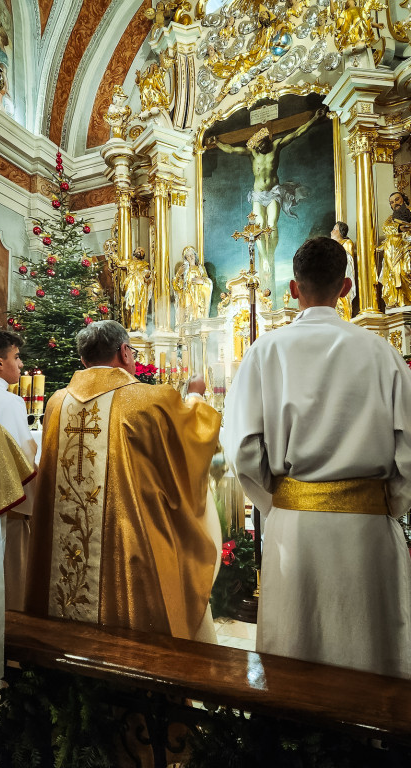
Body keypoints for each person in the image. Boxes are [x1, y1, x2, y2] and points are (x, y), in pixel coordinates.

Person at [222, 236, 411, 678]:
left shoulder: (265, 351)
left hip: (295, 533)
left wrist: (281, 504)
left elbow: (242, 451)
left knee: (296, 656)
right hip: (368, 534)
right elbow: (409, 449)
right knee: (369, 657)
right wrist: (389, 504)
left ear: (293, 289)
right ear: (347, 287)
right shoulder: (383, 354)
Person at [25, 320, 221, 643]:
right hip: (130, 550)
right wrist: (197, 399)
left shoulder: (56, 403)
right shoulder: (150, 400)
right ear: (126, 352)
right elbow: (193, 444)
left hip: (62, 554)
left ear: (84, 360)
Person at [212, 108, 327, 300]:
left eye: (260, 145)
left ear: (266, 141)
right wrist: (217, 142)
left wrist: (315, 118)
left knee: (271, 225)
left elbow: (297, 133)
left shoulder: (276, 145)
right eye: (255, 146)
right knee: (256, 229)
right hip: (258, 194)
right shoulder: (251, 153)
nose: (258, 148)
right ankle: (264, 259)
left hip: (274, 192)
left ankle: (269, 255)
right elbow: (231, 149)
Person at [0, 325, 35, 695]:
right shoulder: (9, 402)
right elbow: (24, 463)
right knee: (1, 584)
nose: (20, 365)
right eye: (16, 358)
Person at [379, 191, 411, 308]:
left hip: (408, 247)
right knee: (393, 273)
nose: (395, 204)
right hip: (394, 251)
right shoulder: (390, 219)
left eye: (397, 200)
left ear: (404, 199)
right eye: (392, 202)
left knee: (406, 271)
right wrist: (398, 228)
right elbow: (385, 228)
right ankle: (397, 299)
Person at [173, 246, 213, 326]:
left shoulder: (200, 268)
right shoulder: (183, 269)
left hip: (198, 297)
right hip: (187, 297)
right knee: (188, 317)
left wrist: (202, 282)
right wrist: (178, 274)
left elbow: (208, 282)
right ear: (185, 258)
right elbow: (176, 287)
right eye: (188, 255)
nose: (191, 257)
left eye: (192, 254)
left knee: (198, 316)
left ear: (195, 255)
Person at [121, 246, 153, 333]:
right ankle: (128, 325)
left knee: (138, 306)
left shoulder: (145, 265)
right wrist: (111, 253)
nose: (140, 251)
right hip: (130, 286)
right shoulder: (128, 262)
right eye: (139, 249)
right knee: (128, 306)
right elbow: (118, 263)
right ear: (134, 251)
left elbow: (148, 279)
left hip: (140, 288)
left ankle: (138, 326)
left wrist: (147, 276)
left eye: (142, 250)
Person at [330, 220, 356, 320]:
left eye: (334, 229)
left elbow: (347, 263)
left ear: (341, 232)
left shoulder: (347, 243)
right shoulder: (331, 247)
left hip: (341, 280)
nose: (331, 232)